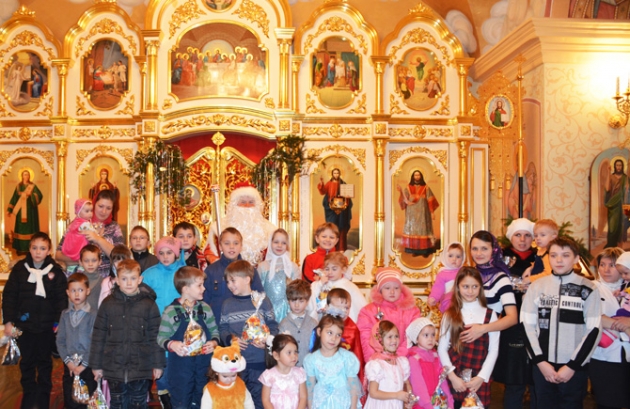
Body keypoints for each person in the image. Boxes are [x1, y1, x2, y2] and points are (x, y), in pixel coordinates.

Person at [522, 237, 601, 409]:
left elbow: (594, 330)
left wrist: (572, 366)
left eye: (565, 255)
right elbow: (526, 326)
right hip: (543, 366)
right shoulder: (537, 287)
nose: (558, 260)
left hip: (574, 368)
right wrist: (540, 362)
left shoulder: (588, 288)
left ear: (576, 259)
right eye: (553, 255)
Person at [2, 232, 67, 409]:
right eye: (35, 248)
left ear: (49, 250)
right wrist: (8, 321)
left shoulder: (55, 272)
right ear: (29, 249)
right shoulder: (19, 270)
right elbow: (9, 297)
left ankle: (44, 396)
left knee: (45, 362)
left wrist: (59, 322)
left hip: (47, 327)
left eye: (42, 248)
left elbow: (61, 300)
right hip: (24, 326)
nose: (38, 252)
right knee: (27, 361)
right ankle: (29, 393)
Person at [90, 259, 165, 409]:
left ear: (140, 279)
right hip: (114, 367)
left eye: (133, 278)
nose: (129, 283)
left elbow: (155, 336)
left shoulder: (148, 304)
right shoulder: (108, 303)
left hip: (140, 367)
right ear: (117, 280)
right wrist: (96, 365)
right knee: (117, 403)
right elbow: (99, 335)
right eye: (124, 279)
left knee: (138, 403)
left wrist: (158, 364)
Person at [218, 260, 279, 409]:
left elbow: (273, 325)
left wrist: (267, 340)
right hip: (237, 365)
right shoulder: (227, 304)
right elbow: (223, 328)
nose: (230, 285)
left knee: (260, 402)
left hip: (260, 362)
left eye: (233, 280)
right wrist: (231, 340)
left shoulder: (263, 301)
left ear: (247, 279)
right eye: (228, 282)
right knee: (238, 402)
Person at [157, 266, 220, 408]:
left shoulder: (205, 308)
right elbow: (161, 337)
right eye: (199, 285)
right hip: (180, 370)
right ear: (185, 289)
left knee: (204, 401)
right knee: (181, 402)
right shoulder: (171, 311)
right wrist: (172, 344)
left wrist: (214, 343)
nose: (204, 288)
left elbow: (215, 331)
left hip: (204, 368)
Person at [438, 267, 499, 408]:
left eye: (474, 287)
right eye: (465, 286)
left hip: (479, 377)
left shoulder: (490, 315)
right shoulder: (450, 315)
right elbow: (442, 349)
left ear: (480, 288)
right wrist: (452, 377)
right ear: (458, 287)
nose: (470, 291)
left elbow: (493, 350)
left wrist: (481, 377)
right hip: (456, 379)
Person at [496, 217, 537, 409]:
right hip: (510, 321)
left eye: (527, 235)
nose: (522, 240)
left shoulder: (541, 258)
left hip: (536, 321)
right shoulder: (500, 259)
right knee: (514, 380)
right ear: (511, 237)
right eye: (518, 235)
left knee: (536, 379)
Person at [142, 236, 186, 407]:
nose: (166, 256)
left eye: (169, 252)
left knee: (179, 365)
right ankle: (164, 395)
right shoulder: (149, 274)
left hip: (181, 325)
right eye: (161, 253)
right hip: (158, 326)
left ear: (176, 254)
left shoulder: (183, 272)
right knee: (161, 364)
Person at [589, 247, 630, 409]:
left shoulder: (626, 288)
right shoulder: (591, 287)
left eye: (612, 265)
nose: (606, 270)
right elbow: (593, 316)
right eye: (602, 264)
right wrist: (625, 326)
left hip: (627, 354)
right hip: (604, 357)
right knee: (607, 403)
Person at [204, 182, 276, 265]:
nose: (247, 205)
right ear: (234, 205)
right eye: (243, 202)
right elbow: (209, 252)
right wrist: (217, 262)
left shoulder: (270, 230)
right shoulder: (218, 227)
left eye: (251, 202)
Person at [56, 189, 124, 278]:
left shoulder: (114, 227)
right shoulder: (77, 224)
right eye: (101, 206)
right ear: (94, 204)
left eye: (108, 208)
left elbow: (120, 257)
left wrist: (98, 239)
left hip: (104, 280)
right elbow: (58, 255)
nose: (104, 211)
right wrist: (83, 260)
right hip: (78, 279)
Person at [203, 227, 264, 324]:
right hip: (219, 324)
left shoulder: (250, 270)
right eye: (227, 243)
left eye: (236, 243)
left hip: (245, 324)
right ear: (220, 246)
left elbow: (259, 297)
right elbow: (204, 302)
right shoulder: (211, 271)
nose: (231, 247)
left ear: (241, 246)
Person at [357, 267, 421, 358]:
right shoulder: (368, 311)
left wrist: (399, 356)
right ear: (380, 290)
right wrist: (375, 358)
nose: (392, 291)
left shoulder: (412, 311)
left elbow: (412, 336)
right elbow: (366, 339)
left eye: (396, 288)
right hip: (379, 360)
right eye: (387, 288)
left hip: (406, 359)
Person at [56, 273, 98, 409]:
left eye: (80, 290)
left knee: (87, 402)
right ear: (68, 293)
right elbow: (60, 341)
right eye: (73, 290)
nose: (77, 294)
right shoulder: (64, 314)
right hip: (70, 365)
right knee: (70, 401)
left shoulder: (93, 315)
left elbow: (95, 342)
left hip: (87, 365)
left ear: (87, 291)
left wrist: (83, 365)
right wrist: (69, 363)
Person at [303, 314, 361, 409]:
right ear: (319, 332)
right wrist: (310, 407)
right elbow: (310, 387)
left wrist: (353, 407)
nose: (334, 338)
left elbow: (353, 386)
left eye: (338, 335)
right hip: (320, 403)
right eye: (330, 333)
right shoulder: (311, 359)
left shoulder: (346, 358)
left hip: (343, 403)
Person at [406, 317, 454, 409]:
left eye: (433, 335)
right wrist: (428, 405)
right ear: (416, 338)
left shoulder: (435, 356)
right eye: (426, 335)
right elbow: (418, 387)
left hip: (438, 403)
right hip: (423, 405)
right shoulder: (414, 359)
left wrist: (449, 402)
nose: (430, 339)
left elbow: (442, 381)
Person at [364, 320, 412, 409]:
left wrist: (408, 399)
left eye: (396, 336)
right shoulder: (376, 365)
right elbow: (373, 393)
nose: (394, 340)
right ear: (379, 340)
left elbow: (406, 384)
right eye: (389, 337)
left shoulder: (401, 362)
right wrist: (396, 395)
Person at [307, 252, 367, 322]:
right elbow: (311, 299)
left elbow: (359, 307)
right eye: (327, 269)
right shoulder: (320, 283)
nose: (330, 272)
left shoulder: (349, 286)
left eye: (334, 269)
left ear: (343, 269)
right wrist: (320, 284)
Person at [257, 228, 301, 322]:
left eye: (283, 243)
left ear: (287, 245)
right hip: (268, 311)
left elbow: (298, 292)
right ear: (270, 243)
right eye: (276, 242)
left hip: (288, 312)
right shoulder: (263, 267)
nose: (279, 245)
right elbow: (258, 292)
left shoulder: (292, 267)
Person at [325, 290, 365, 391]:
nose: (343, 311)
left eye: (346, 308)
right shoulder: (324, 325)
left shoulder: (353, 329)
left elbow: (358, 356)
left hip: (345, 376)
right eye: (338, 307)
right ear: (329, 306)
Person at [396, 170, 439, 257]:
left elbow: (430, 200)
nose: (417, 177)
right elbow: (404, 200)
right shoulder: (408, 187)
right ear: (413, 176)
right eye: (415, 175)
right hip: (411, 214)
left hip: (423, 213)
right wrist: (400, 191)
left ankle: (424, 250)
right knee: (412, 230)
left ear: (421, 176)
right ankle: (412, 249)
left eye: (418, 175)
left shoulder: (426, 188)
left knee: (423, 229)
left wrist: (432, 212)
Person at [259, 334, 307, 409]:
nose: (294, 356)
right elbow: (266, 400)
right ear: (276, 355)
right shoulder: (268, 375)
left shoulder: (299, 373)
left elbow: (303, 397)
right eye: (289, 352)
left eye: (295, 352)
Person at [200, 342, 254, 409]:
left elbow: (248, 403)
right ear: (216, 372)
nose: (229, 379)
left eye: (233, 375)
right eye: (225, 376)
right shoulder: (210, 389)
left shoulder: (240, 384)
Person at [279, 279, 318, 367]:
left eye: (301, 301)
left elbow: (317, 348)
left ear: (307, 301)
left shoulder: (314, 324)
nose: (297, 305)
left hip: (308, 368)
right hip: (289, 369)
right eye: (293, 301)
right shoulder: (283, 324)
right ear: (288, 301)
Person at [7, 169, 43, 253]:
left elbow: (39, 195)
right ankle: (20, 248)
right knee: (20, 229)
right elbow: (14, 198)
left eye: (27, 174)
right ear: (22, 176)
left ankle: (31, 248)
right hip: (20, 212)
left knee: (30, 229)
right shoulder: (18, 187)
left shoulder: (33, 186)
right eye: (24, 174)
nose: (26, 176)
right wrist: (9, 209)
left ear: (29, 176)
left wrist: (32, 195)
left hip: (31, 212)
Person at [317, 169, 353, 251]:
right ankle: (331, 248)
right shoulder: (329, 183)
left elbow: (347, 197)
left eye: (337, 173)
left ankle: (341, 248)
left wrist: (346, 198)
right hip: (331, 209)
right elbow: (323, 191)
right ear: (332, 174)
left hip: (342, 210)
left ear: (339, 174)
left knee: (341, 227)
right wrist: (321, 183)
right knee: (332, 227)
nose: (336, 174)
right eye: (334, 173)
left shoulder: (343, 184)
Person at [427, 242, 465, 313]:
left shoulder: (464, 272)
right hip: (448, 302)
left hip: (464, 301)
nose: (454, 259)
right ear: (445, 256)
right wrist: (433, 298)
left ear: (463, 258)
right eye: (450, 256)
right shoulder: (442, 274)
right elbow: (438, 288)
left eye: (458, 256)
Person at [524, 219, 559, 284]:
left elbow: (549, 273)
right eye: (536, 235)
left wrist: (530, 279)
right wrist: (530, 268)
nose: (538, 238)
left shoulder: (549, 253)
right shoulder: (541, 250)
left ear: (553, 237)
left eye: (542, 235)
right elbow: (539, 265)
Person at [605, 159, 630, 248]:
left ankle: (620, 245)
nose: (618, 167)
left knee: (623, 223)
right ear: (614, 166)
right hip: (613, 205)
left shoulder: (625, 178)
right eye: (617, 165)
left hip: (623, 204)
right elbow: (607, 189)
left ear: (622, 167)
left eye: (620, 165)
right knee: (612, 225)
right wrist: (608, 172)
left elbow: (627, 190)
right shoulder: (611, 177)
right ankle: (611, 244)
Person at [76, 244, 103, 311]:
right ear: (80, 262)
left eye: (94, 260)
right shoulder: (76, 282)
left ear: (100, 262)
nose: (90, 264)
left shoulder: (103, 283)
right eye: (86, 261)